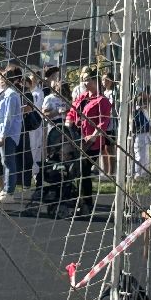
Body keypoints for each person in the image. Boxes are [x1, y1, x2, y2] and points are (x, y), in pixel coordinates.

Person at [65, 67, 112, 216]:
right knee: (75, 171)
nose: (84, 83)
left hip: (92, 143)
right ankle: (77, 201)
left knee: (83, 170)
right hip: (76, 139)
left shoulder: (102, 100)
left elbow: (103, 122)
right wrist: (67, 125)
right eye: (83, 80)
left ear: (94, 80)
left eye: (87, 80)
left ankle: (87, 204)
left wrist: (93, 136)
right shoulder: (83, 97)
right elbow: (72, 112)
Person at [0, 66, 23, 202]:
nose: (1, 81)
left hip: (8, 134)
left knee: (9, 162)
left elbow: (8, 117)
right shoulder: (4, 93)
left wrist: (2, 134)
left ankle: (9, 192)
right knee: (4, 162)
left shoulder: (11, 94)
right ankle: (4, 190)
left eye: (2, 78)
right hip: (1, 132)